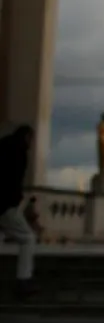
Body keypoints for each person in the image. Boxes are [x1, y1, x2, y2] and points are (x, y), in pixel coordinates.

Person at [0, 125, 37, 297]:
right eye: (31, 140)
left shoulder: (4, 145)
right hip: (5, 205)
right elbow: (13, 180)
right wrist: (16, 200)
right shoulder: (19, 152)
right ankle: (23, 280)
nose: (32, 144)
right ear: (26, 137)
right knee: (28, 238)